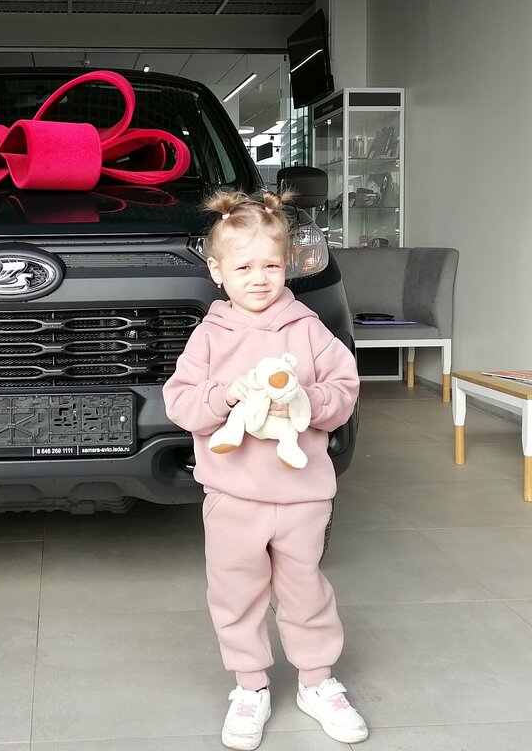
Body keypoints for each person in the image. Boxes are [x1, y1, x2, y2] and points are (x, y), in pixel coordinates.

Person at [163, 188, 367, 750]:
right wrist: (225, 396)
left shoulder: (309, 328)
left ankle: (316, 681)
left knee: (305, 588)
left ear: (288, 265)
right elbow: (181, 403)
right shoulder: (208, 336)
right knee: (236, 590)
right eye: (244, 267)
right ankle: (250, 685)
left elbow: (344, 390)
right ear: (216, 271)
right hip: (233, 495)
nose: (259, 278)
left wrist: (307, 401)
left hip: (303, 494)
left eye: (271, 266)